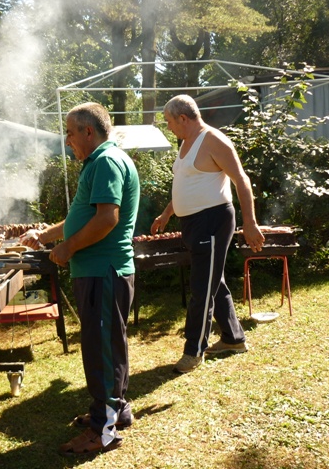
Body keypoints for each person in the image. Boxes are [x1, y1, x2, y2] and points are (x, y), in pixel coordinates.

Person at [19, 102, 140, 456]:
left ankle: (104, 432)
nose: (68, 140)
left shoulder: (105, 161)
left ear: (89, 131)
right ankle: (116, 410)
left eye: (71, 133)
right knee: (108, 345)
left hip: (103, 271)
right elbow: (82, 216)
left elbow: (107, 219)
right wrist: (45, 236)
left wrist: (68, 248)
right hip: (103, 272)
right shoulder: (102, 161)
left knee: (101, 350)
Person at [151, 94, 265, 374]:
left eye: (169, 122)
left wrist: (249, 223)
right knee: (215, 282)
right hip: (192, 224)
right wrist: (167, 214)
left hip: (212, 220)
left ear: (183, 118)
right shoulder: (186, 143)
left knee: (201, 289)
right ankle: (233, 339)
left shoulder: (213, 139)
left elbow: (241, 179)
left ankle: (193, 351)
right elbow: (185, 182)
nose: (169, 127)